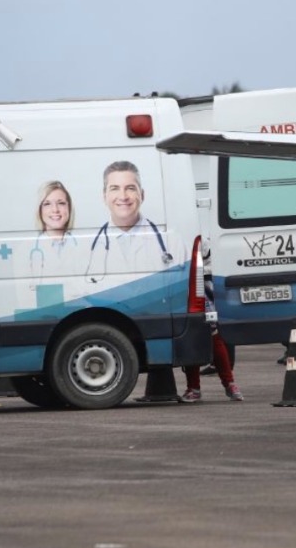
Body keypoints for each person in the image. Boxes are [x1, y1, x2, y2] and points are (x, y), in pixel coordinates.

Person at [181, 241, 243, 402]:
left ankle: (197, 388)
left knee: (200, 335)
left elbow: (202, 252)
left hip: (199, 282)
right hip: (198, 281)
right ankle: (229, 385)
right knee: (207, 336)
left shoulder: (194, 231)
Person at [87, 160, 170, 279]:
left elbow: (184, 292)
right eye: (115, 188)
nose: (123, 196)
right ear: (104, 196)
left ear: (142, 195)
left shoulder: (172, 244)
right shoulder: (88, 248)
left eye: (130, 188)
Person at [30, 181, 77, 280]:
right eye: (47, 204)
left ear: (69, 208)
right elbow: (24, 293)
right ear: (40, 210)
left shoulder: (86, 247)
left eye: (61, 203)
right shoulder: (24, 251)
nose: (55, 209)